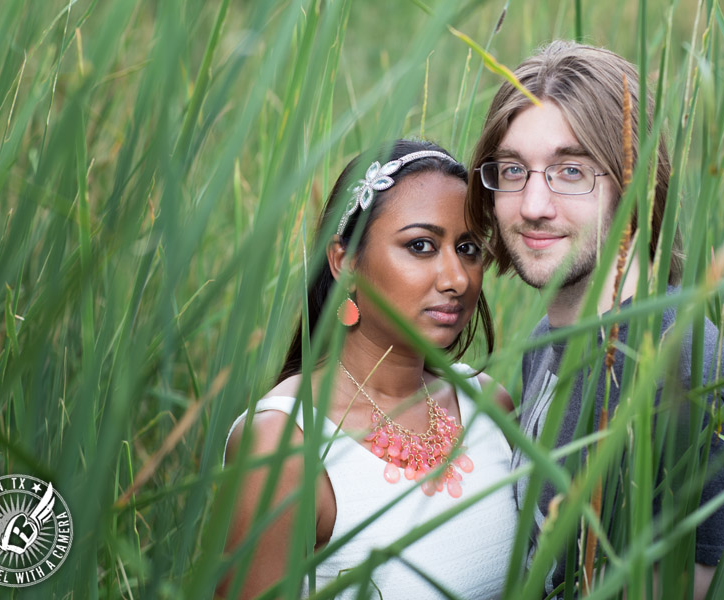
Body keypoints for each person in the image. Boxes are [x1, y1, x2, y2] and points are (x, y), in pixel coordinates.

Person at [466, 41, 724, 598]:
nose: (533, 205)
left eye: (571, 171)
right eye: (513, 170)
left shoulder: (681, 370)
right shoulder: (545, 341)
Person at [221, 139, 517, 599]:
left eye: (468, 248)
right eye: (421, 245)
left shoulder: (488, 403)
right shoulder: (283, 445)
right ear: (346, 262)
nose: (456, 279)